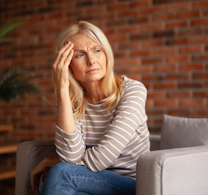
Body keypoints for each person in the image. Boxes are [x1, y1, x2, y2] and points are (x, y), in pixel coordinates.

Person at [30, 21, 150, 195]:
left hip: (133, 186)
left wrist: (53, 161)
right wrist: (63, 91)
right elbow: (70, 158)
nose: (92, 60)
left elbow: (99, 160)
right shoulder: (71, 102)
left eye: (97, 50)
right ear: (67, 64)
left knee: (62, 173)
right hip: (89, 183)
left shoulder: (133, 91)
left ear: (106, 53)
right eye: (79, 55)